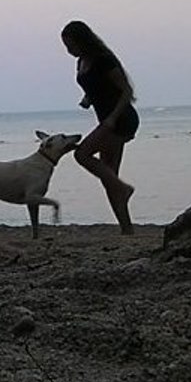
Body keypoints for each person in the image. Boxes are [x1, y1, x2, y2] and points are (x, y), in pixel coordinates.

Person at [61, 20, 139, 234]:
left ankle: (124, 189)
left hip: (120, 119)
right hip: (105, 119)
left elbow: (126, 91)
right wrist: (87, 98)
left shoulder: (103, 59)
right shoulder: (82, 62)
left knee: (82, 154)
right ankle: (127, 230)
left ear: (82, 41)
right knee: (109, 177)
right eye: (66, 47)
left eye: (70, 45)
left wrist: (112, 119)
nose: (69, 51)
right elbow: (96, 86)